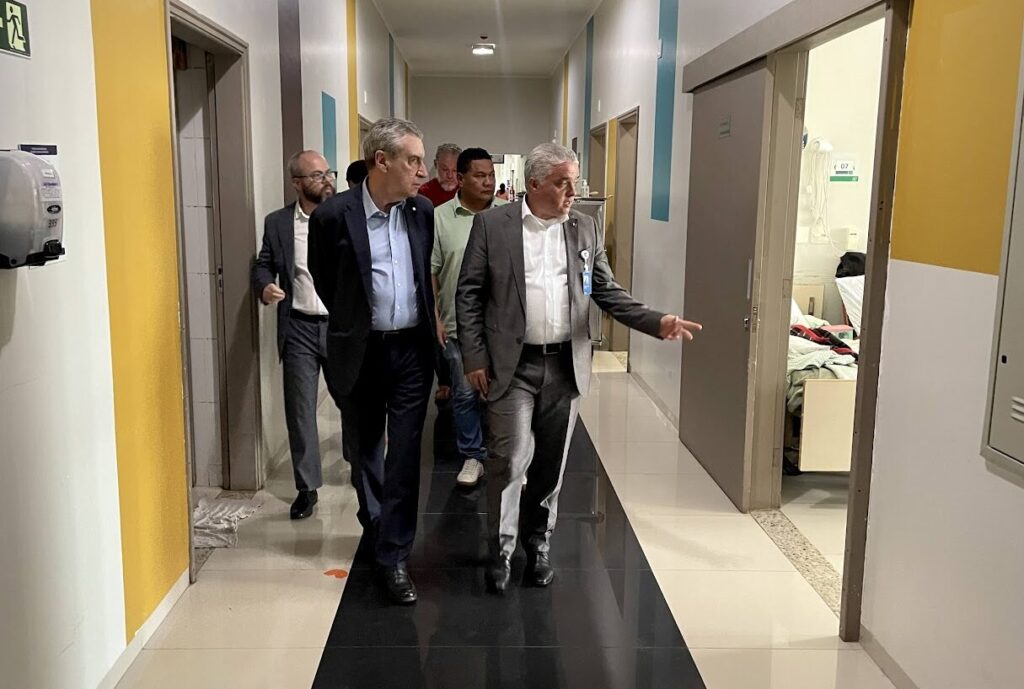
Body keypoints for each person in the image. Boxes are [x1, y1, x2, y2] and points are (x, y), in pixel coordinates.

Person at [457, 143, 702, 593]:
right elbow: (469, 295)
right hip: (512, 366)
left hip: (566, 365)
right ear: (533, 184)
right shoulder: (492, 226)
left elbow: (605, 291)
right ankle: (501, 549)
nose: (573, 193)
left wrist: (655, 321)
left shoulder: (584, 228)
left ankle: (538, 544)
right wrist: (474, 358)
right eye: (562, 183)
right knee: (508, 461)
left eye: (573, 182)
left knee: (551, 465)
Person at [307, 117, 436, 606]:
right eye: (413, 161)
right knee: (365, 450)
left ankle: (394, 555)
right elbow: (324, 279)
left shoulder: (420, 212)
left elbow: (423, 276)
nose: (422, 172)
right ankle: (378, 521)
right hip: (360, 351)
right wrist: (357, 322)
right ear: (381, 161)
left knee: (404, 454)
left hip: (411, 352)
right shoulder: (333, 216)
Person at [251, 150, 337, 520]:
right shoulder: (278, 223)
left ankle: (361, 465)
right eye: (317, 175)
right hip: (299, 325)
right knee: (300, 410)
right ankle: (307, 487)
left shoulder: (343, 215)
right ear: (297, 183)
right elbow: (264, 264)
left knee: (353, 402)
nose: (326, 180)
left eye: (328, 172)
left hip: (340, 326)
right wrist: (265, 286)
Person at [431, 148, 507, 488]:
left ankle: (506, 455)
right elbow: (432, 271)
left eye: (491, 175)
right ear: (460, 179)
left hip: (504, 325)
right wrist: (436, 316)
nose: (488, 182)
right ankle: (473, 455)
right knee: (464, 393)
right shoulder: (440, 218)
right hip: (458, 323)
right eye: (480, 176)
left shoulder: (508, 214)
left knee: (505, 393)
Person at [418, 143, 461, 207]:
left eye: (455, 170)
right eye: (445, 169)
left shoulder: (468, 191)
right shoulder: (424, 193)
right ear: (436, 164)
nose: (450, 176)